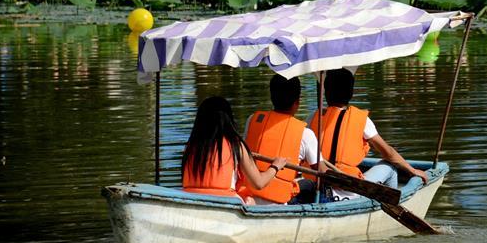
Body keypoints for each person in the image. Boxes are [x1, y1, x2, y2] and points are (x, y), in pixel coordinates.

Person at [309, 69, 428, 199]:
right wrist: (412, 170)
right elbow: (388, 153)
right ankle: (387, 206)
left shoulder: (314, 117)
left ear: (326, 92)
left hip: (317, 183)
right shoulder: (361, 120)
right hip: (349, 188)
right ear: (351, 93)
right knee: (390, 167)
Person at [181, 96, 288, 204]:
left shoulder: (190, 147)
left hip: (190, 200)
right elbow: (259, 183)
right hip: (225, 202)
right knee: (256, 201)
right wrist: (275, 166)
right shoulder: (236, 145)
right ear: (228, 119)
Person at [240, 75, 320, 205]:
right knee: (311, 184)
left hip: (249, 195)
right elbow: (320, 170)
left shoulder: (253, 120)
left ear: (272, 97)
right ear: (297, 102)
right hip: (279, 199)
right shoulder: (305, 133)